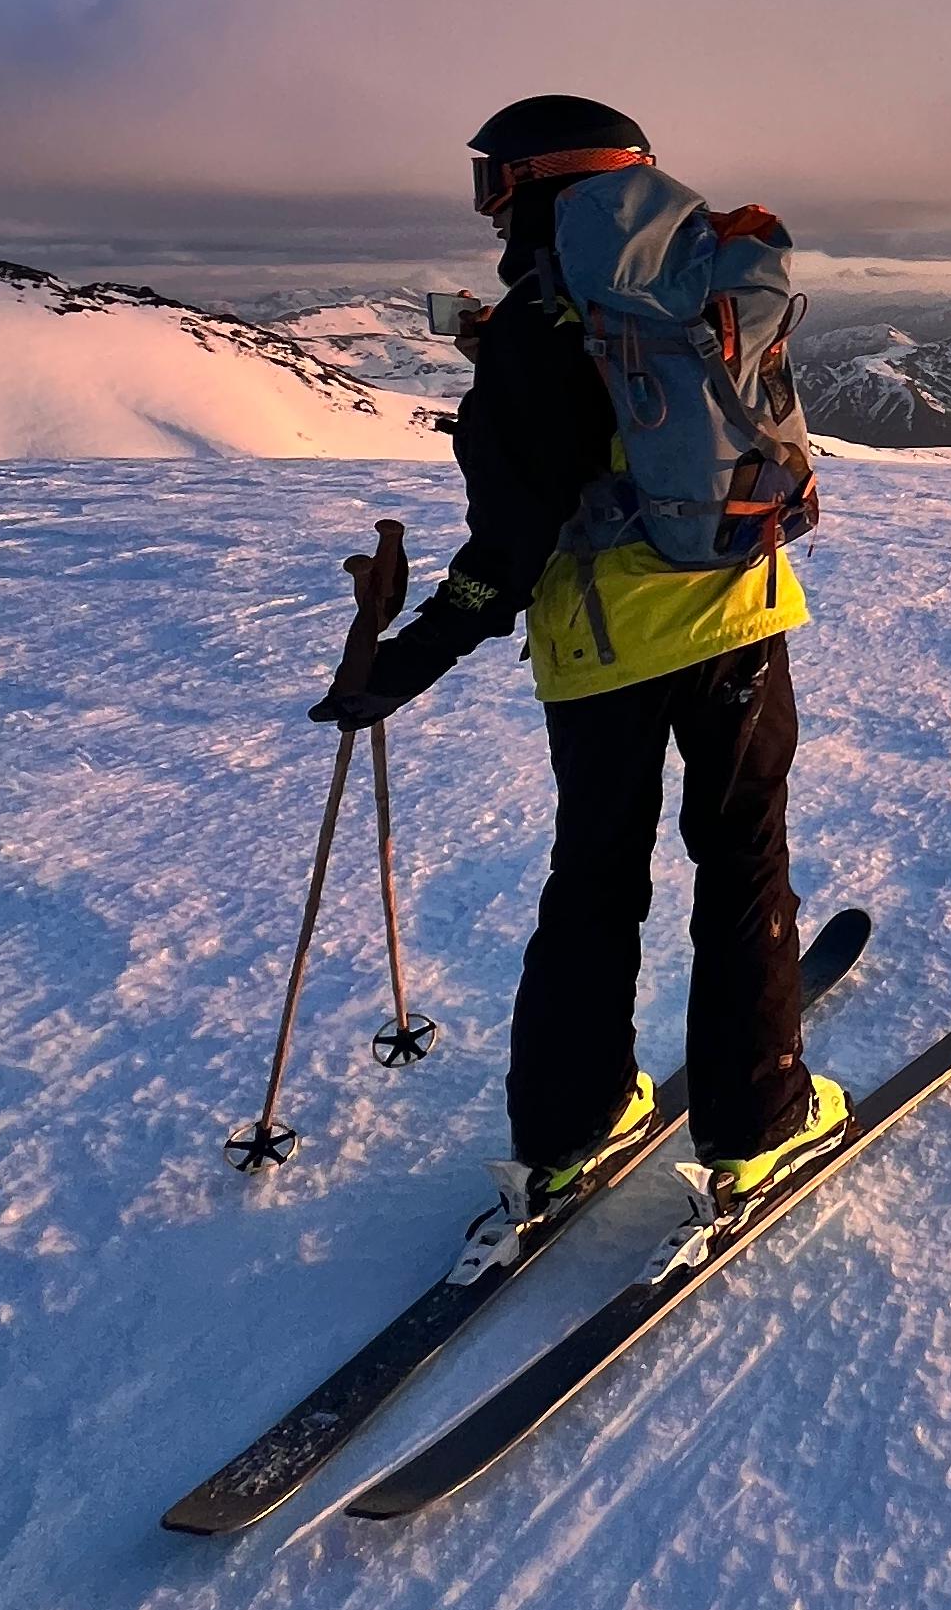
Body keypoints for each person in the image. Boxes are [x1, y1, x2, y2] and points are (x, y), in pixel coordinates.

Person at [313, 93, 845, 1230]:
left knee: (596, 878)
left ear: (537, 185)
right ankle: (761, 1123)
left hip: (599, 655)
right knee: (742, 863)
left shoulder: (531, 333)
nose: (487, 209)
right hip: (739, 615)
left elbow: (508, 545)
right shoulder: (692, 291)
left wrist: (406, 661)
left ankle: (573, 1123)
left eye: (493, 184)